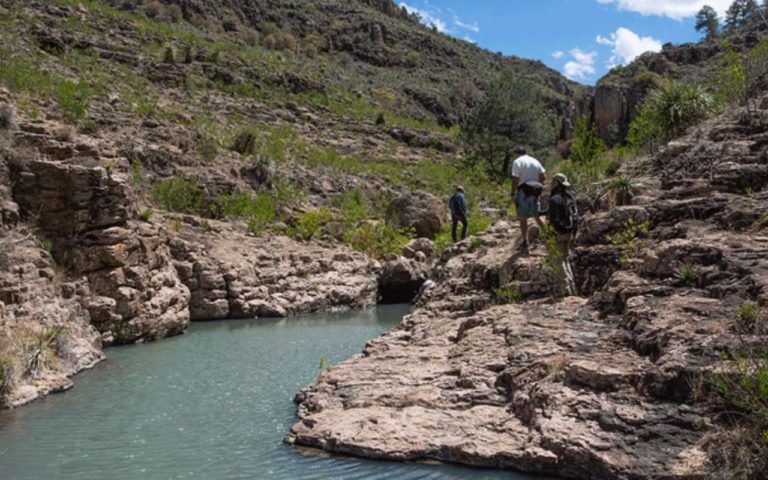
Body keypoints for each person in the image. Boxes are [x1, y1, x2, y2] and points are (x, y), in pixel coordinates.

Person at [547, 173, 579, 296]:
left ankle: (565, 290)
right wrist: (573, 233)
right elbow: (576, 217)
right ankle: (572, 288)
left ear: (556, 183)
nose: (550, 184)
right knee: (565, 260)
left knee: (558, 261)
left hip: (559, 234)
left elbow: (554, 220)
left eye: (552, 182)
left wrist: (552, 234)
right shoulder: (570, 197)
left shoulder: (554, 199)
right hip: (569, 233)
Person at [510, 146, 546, 252]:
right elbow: (543, 177)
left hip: (523, 191)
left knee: (523, 218)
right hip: (535, 191)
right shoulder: (535, 161)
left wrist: (513, 193)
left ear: (517, 153)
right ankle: (549, 236)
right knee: (537, 216)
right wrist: (538, 185)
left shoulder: (517, 162)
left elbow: (515, 178)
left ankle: (525, 242)